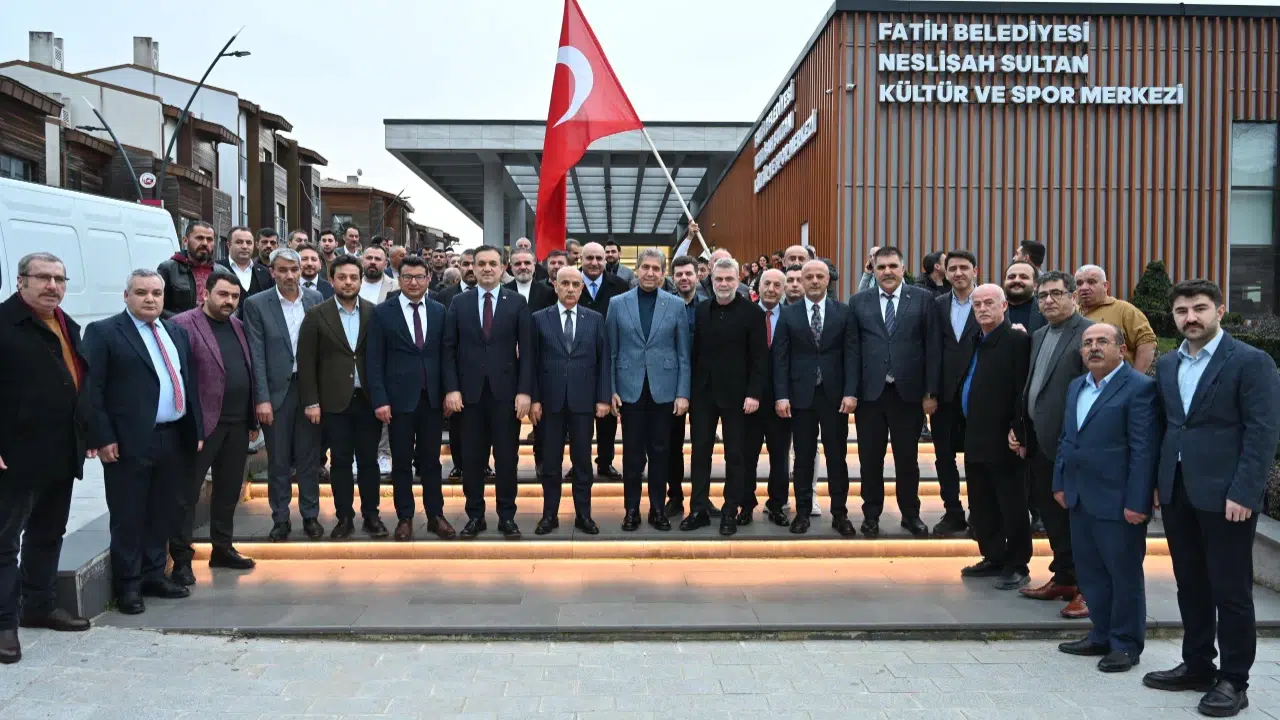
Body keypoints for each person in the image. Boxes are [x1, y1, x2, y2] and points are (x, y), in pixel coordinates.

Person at [1144, 280, 1280, 716]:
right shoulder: (1168, 364)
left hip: (1228, 497)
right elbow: (1168, 426)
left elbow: (1262, 433)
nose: (1190, 318)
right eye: (1182, 311)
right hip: (1178, 490)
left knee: (1230, 589)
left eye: (1199, 308)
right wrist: (1158, 482)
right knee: (1190, 584)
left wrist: (1245, 492)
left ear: (1220, 311)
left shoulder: (1251, 362)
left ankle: (1234, 680)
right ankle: (1198, 663)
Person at [82, 269, 203, 615]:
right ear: (126, 296)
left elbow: (186, 382)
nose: (150, 299)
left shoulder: (175, 332)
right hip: (129, 441)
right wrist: (103, 437)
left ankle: (154, 575)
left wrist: (194, 430)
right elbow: (92, 389)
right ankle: (128, 586)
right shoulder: (104, 332)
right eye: (141, 292)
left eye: (156, 293)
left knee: (163, 512)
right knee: (129, 515)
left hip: (173, 437)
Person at [0, 253, 92, 664]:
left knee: (48, 533)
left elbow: (77, 382)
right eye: (43, 278)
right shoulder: (5, 324)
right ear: (21, 281)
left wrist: (87, 432)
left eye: (59, 279)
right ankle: (4, 623)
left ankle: (38, 605)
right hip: (15, 456)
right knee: (5, 542)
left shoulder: (66, 324)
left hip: (60, 451)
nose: (52, 286)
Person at [1054, 323, 1159, 674]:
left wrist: (1138, 501)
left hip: (1119, 502)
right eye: (1087, 343)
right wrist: (1060, 482)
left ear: (1122, 349)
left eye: (1102, 341)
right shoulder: (1076, 386)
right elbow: (1067, 438)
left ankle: (1125, 644)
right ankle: (1100, 634)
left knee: (1123, 575)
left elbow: (1143, 449)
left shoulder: (1139, 388)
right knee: (1091, 573)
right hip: (1080, 497)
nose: (1093, 348)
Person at [168, 271, 258, 587]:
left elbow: (247, 371)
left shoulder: (239, 326)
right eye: (223, 294)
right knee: (187, 494)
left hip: (237, 424)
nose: (229, 301)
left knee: (228, 490)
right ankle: (181, 560)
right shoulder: (181, 325)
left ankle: (222, 548)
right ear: (205, 293)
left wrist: (251, 419)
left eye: (234, 296)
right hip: (202, 426)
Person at [1011, 271, 1092, 619]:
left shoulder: (1089, 334)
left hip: (1074, 445)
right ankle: (1064, 578)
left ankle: (1089, 590)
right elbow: (1033, 386)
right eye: (1043, 295)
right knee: (1053, 517)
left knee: (1079, 521)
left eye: (1056, 293)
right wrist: (1020, 428)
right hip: (1041, 443)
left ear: (1073, 296)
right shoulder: (1040, 334)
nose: (1048, 300)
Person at [443, 245, 534, 539]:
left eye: (493, 263)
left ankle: (507, 516)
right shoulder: (459, 302)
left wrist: (524, 392)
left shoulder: (517, 302)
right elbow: (448, 349)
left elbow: (528, 352)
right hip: (468, 397)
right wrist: (452, 388)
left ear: (503, 267)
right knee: (471, 459)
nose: (486, 268)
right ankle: (475, 516)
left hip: (506, 396)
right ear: (473, 267)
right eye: (481, 263)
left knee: (507, 459)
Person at [848, 247, 940, 538]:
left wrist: (930, 392)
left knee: (907, 459)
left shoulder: (923, 299)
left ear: (903, 268)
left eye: (892, 266)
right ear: (873, 270)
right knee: (870, 459)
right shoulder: (858, 301)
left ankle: (910, 514)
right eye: (881, 267)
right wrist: (851, 391)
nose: (887, 272)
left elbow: (932, 347)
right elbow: (852, 350)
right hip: (870, 395)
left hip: (908, 394)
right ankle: (871, 515)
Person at [297, 255, 388, 540]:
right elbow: (306, 361)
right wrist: (311, 401)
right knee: (340, 462)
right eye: (342, 277)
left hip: (368, 400)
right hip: (334, 401)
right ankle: (344, 517)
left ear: (361, 280)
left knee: (369, 461)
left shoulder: (375, 312)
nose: (348, 282)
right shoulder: (316, 314)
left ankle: (371, 515)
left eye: (353, 277)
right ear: (331, 279)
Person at [366, 255, 454, 541]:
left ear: (428, 279)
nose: (413, 282)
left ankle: (435, 515)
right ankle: (405, 517)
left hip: (431, 399)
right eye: (407, 277)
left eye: (419, 277)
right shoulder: (383, 312)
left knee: (431, 462)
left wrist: (449, 392)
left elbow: (447, 355)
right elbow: (374, 360)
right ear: (399, 279)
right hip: (398, 401)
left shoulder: (440, 311)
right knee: (401, 462)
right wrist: (380, 399)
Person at [242, 248, 326, 542]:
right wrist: (261, 399)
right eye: (282, 270)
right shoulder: (256, 304)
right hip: (276, 392)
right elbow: (256, 355)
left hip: (309, 389)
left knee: (309, 458)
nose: (289, 276)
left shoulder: (316, 299)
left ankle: (310, 515)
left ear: (301, 271)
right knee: (278, 460)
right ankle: (280, 518)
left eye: (294, 269)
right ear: (272, 271)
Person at [606, 248, 690, 531]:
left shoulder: (675, 305)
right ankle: (631, 510)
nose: (651, 273)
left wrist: (683, 393)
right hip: (629, 389)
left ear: (663, 273)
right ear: (637, 270)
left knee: (660, 452)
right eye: (646, 267)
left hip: (664, 390)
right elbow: (611, 352)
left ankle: (657, 509)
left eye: (656, 269)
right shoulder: (617, 303)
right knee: (632, 454)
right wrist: (611, 389)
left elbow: (683, 354)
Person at [684, 258, 768, 536]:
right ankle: (698, 509)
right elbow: (695, 352)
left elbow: (760, 358)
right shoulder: (701, 310)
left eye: (729, 279)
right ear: (711, 281)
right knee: (700, 453)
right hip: (703, 394)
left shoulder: (753, 313)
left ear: (737, 281)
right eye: (718, 279)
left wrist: (754, 393)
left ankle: (730, 510)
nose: (723, 284)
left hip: (739, 397)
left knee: (735, 455)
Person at [956, 284, 1032, 589]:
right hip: (974, 433)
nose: (982, 308)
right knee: (982, 502)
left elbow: (1022, 389)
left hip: (1004, 436)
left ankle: (1017, 563)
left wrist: (1019, 428)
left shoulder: (1016, 340)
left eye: (989, 303)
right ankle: (993, 556)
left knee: (1011, 503)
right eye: (977, 304)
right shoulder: (976, 339)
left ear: (1004, 306)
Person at [773, 259, 856, 535]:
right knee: (803, 458)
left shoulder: (844, 312)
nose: (814, 281)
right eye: (809, 277)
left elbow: (851, 355)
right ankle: (803, 513)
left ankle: (840, 514)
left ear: (828, 279)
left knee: (837, 457)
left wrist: (850, 391)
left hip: (835, 397)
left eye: (820, 276)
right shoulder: (788, 314)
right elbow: (780, 358)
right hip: (800, 397)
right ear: (801, 280)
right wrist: (781, 395)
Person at [530, 267, 612, 535]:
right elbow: (531, 362)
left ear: (582, 288)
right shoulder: (539, 318)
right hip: (549, 403)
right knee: (550, 463)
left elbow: (603, 361)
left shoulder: (595, 319)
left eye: (576, 284)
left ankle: (583, 515)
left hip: (583, 402)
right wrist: (534, 399)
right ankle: (549, 515)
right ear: (555, 286)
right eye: (564, 283)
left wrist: (603, 398)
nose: (570, 289)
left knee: (583, 462)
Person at [930, 250, 979, 538]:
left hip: (978, 397)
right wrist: (930, 392)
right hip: (944, 395)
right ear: (945, 273)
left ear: (975, 271)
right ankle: (953, 512)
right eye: (953, 268)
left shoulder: (988, 301)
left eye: (964, 267)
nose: (958, 273)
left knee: (976, 458)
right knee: (944, 457)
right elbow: (931, 350)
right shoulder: (936, 305)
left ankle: (979, 513)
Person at [579, 243, 630, 482]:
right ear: (581, 259)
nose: (595, 262)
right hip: (577, 360)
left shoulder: (619, 285)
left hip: (609, 358)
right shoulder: (571, 282)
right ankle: (579, 462)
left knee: (608, 416)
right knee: (579, 419)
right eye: (589, 258)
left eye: (599, 258)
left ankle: (605, 462)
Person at [745, 268, 792, 526]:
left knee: (780, 457)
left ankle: (777, 505)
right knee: (746, 456)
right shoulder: (746, 314)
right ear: (758, 286)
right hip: (749, 400)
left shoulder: (792, 317)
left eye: (777, 285)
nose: (771, 289)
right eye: (767, 284)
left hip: (781, 400)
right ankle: (745, 504)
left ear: (783, 289)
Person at [663, 255, 710, 517]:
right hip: (672, 386)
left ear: (697, 276)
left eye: (688, 273)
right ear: (672, 278)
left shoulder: (710, 306)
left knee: (702, 447)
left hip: (704, 386)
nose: (684, 278)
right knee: (673, 446)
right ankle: (675, 496)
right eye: (679, 274)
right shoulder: (665, 305)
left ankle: (702, 498)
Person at [505, 247, 556, 474]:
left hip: (542, 364)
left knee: (541, 418)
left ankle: (542, 461)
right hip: (507, 367)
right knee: (508, 421)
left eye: (527, 263)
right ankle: (509, 465)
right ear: (510, 266)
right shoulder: (502, 291)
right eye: (518, 263)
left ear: (535, 265)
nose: (523, 267)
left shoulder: (548, 293)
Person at [1075, 265, 1157, 373]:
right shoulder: (1073, 312)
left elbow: (1147, 342)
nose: (1084, 287)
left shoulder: (1124, 310)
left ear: (1105, 286)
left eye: (1091, 282)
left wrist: (1135, 377)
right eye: (1079, 283)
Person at [158, 221, 218, 315]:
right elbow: (157, 306)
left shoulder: (221, 272)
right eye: (199, 238)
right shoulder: (168, 269)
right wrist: (181, 321)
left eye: (209, 239)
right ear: (185, 241)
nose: (205, 243)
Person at [219, 226, 274, 299]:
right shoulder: (216, 268)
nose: (245, 246)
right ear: (229, 245)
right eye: (239, 242)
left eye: (248, 243)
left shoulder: (265, 272)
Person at [1004, 261, 1046, 334]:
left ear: (1035, 285)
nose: (1016, 280)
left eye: (1023, 277)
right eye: (1011, 277)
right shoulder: (993, 309)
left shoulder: (1046, 312)